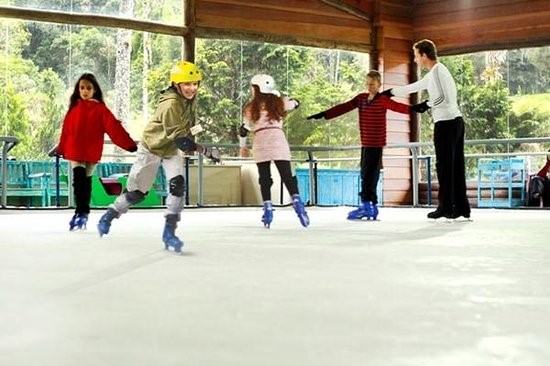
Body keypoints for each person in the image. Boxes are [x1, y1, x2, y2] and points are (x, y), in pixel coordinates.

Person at [97, 61, 220, 253]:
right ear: (176, 84)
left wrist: (197, 137)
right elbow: (182, 141)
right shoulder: (171, 104)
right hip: (152, 148)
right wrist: (206, 151)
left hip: (169, 149)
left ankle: (169, 233)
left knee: (177, 185)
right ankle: (110, 214)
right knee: (138, 193)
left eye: (195, 83)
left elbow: (187, 131)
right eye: (187, 84)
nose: (192, 88)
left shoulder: (189, 101)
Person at [307, 70, 423, 220]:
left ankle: (366, 206)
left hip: (375, 144)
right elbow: (344, 107)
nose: (369, 87)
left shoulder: (382, 99)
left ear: (379, 84)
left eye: (373, 84)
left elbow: (397, 107)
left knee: (369, 176)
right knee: (367, 175)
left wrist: (413, 108)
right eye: (367, 84)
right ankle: (371, 206)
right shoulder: (361, 99)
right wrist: (324, 114)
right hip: (366, 143)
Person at [382, 39, 471, 219]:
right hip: (452, 123)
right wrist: (390, 93)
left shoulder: (438, 71)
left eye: (416, 55)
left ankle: (446, 207)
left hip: (447, 123)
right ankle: (461, 207)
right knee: (454, 166)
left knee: (445, 166)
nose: (415, 59)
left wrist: (426, 104)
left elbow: (445, 98)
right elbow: (415, 87)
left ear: (424, 55)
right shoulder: (434, 73)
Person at [54, 73, 137, 231]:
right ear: (78, 90)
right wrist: (61, 148)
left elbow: (114, 128)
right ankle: (81, 212)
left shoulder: (100, 109)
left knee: (85, 181)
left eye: (88, 88)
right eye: (82, 88)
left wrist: (129, 145)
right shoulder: (74, 108)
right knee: (78, 181)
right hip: (75, 149)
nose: (85, 91)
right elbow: (66, 131)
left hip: (91, 151)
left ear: (95, 90)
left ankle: (83, 213)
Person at [239, 74, 309, 228]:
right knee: (287, 176)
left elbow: (243, 129)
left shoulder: (251, 107)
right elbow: (296, 103)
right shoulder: (279, 102)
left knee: (265, 178)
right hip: (277, 139)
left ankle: (268, 208)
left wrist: (242, 146)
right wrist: (291, 100)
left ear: (257, 89)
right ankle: (297, 201)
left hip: (261, 141)